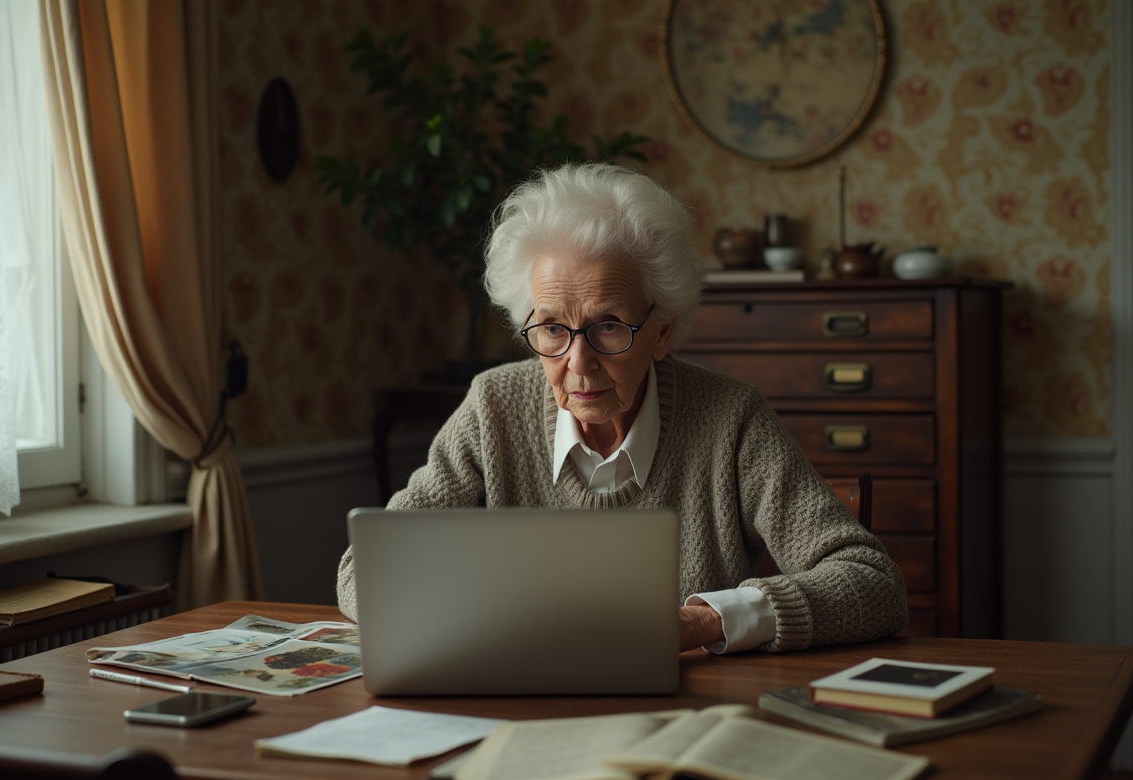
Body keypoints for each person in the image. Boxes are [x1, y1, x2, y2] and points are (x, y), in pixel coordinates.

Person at [336, 163, 907, 653]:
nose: (578, 363)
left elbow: (871, 580)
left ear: (661, 332)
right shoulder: (492, 407)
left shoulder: (731, 419)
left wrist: (702, 621)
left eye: (609, 326)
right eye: (553, 329)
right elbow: (364, 569)